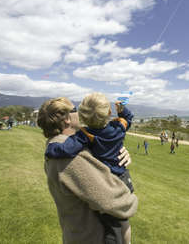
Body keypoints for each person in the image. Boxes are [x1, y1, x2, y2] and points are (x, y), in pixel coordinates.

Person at [38, 97, 137, 244]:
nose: (79, 113)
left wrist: (118, 154)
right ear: (67, 119)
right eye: (75, 110)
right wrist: (132, 200)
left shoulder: (65, 147)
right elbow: (112, 201)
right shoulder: (70, 158)